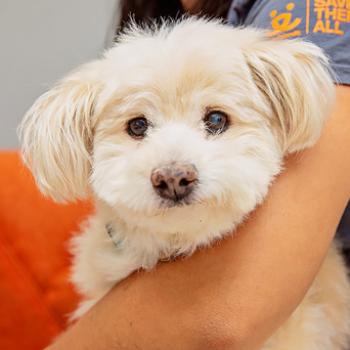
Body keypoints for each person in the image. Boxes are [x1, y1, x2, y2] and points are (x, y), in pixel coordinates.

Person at [47, 1, 350, 349]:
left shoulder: (305, 14)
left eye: (216, 120)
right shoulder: (159, 18)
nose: (173, 173)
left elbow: (225, 320)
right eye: (137, 126)